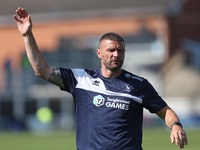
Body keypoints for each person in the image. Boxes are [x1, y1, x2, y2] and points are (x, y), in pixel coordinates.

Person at [14, 7, 188, 150]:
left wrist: (176, 125)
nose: (116, 54)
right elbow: (41, 70)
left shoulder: (138, 84)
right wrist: (27, 35)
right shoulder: (81, 79)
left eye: (120, 51)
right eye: (111, 50)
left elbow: (165, 112)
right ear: (99, 53)